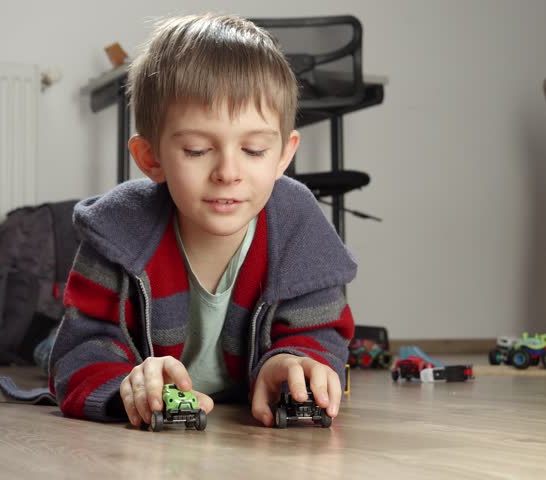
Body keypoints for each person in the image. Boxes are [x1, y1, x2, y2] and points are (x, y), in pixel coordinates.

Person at [48, 13, 356, 428]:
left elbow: (322, 333)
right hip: (135, 372)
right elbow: (78, 353)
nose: (228, 172)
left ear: (285, 154)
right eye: (196, 150)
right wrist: (129, 384)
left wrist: (291, 363)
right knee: (48, 346)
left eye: (254, 150)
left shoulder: (300, 227)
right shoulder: (116, 230)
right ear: (150, 158)